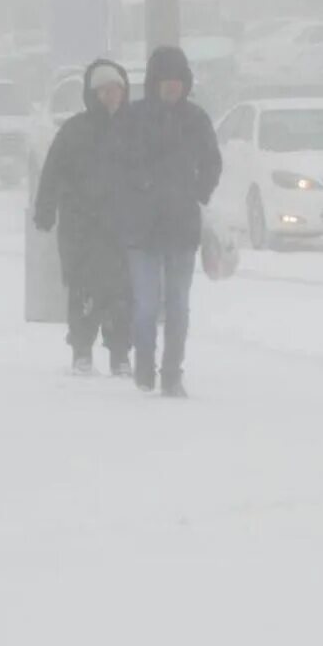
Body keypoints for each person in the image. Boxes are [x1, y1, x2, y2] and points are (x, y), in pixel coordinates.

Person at [115, 44, 221, 399]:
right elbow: (116, 164)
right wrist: (137, 190)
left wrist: (198, 192)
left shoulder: (196, 120)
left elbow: (212, 162)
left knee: (177, 305)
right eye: (166, 80)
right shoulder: (132, 118)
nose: (172, 87)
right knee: (146, 305)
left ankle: (172, 373)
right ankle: (144, 366)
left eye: (178, 80)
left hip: (181, 228)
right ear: (154, 82)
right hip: (141, 230)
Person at [33, 58, 133, 377]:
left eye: (115, 89)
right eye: (103, 90)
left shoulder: (136, 130)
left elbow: (153, 173)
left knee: (122, 294)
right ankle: (82, 351)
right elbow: (52, 173)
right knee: (84, 291)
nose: (110, 96)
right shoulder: (74, 131)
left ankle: (120, 354)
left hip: (123, 229)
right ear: (92, 94)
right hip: (81, 230)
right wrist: (45, 209)